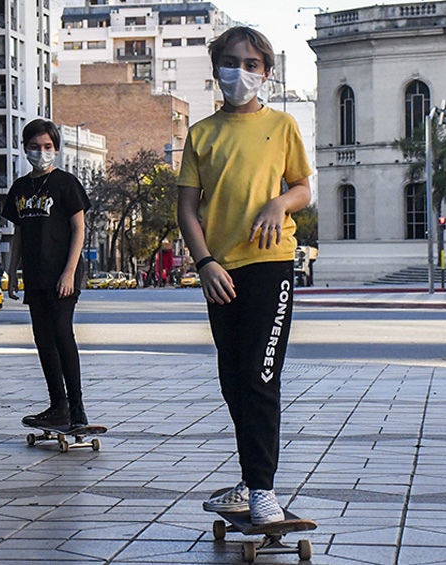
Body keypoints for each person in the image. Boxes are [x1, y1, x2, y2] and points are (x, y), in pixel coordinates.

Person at [177, 26, 312, 525]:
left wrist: (279, 201)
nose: (241, 73)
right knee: (233, 379)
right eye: (231, 63)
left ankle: (262, 490)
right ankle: (250, 479)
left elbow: (302, 188)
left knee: (260, 376)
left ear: (267, 73)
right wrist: (204, 262)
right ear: (216, 70)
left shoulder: (283, 125)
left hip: (270, 264)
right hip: (220, 271)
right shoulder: (202, 134)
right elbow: (187, 209)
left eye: (252, 64)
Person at [2, 119, 92, 430]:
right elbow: (18, 234)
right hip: (35, 275)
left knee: (61, 333)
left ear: (56, 149)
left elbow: (79, 229)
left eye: (48, 147)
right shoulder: (21, 188)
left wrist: (70, 272)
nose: (41, 153)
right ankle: (58, 406)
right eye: (35, 147)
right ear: (25, 148)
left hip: (62, 273)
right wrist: (11, 272)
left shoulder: (66, 183)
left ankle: (77, 409)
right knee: (43, 339)